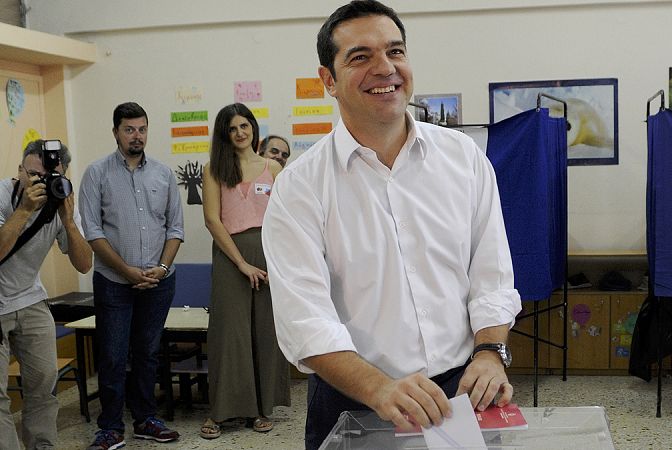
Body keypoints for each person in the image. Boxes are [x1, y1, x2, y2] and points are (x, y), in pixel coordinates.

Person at [261, 2, 522, 448]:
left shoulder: (463, 159)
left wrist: (490, 353)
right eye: (360, 57)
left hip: (461, 390)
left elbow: (492, 278)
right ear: (328, 80)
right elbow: (304, 321)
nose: (385, 69)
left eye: (395, 52)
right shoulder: (299, 188)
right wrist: (379, 387)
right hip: (354, 400)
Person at [79, 102, 184, 450]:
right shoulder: (96, 173)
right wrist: (127, 271)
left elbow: (175, 229)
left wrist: (162, 268)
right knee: (112, 354)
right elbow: (93, 232)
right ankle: (109, 427)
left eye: (141, 129)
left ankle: (145, 419)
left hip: (158, 282)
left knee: (147, 353)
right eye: (129, 129)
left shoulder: (164, 174)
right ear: (116, 132)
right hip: (114, 283)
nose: (136, 136)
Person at [200, 104, 289, 439]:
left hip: (269, 253)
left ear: (253, 127)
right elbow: (212, 220)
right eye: (232, 128)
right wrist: (240, 262)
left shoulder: (274, 169)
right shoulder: (214, 169)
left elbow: (285, 220)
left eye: (244, 126)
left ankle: (262, 409)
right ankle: (221, 412)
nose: (239, 133)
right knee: (229, 334)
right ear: (225, 133)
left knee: (265, 332)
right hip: (230, 257)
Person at [0, 140, 92, 450]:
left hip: (30, 298)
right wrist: (25, 209)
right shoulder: (2, 195)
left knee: (43, 384)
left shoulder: (60, 198)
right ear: (19, 173)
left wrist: (68, 219)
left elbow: (83, 264)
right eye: (33, 175)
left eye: (49, 176)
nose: (40, 182)